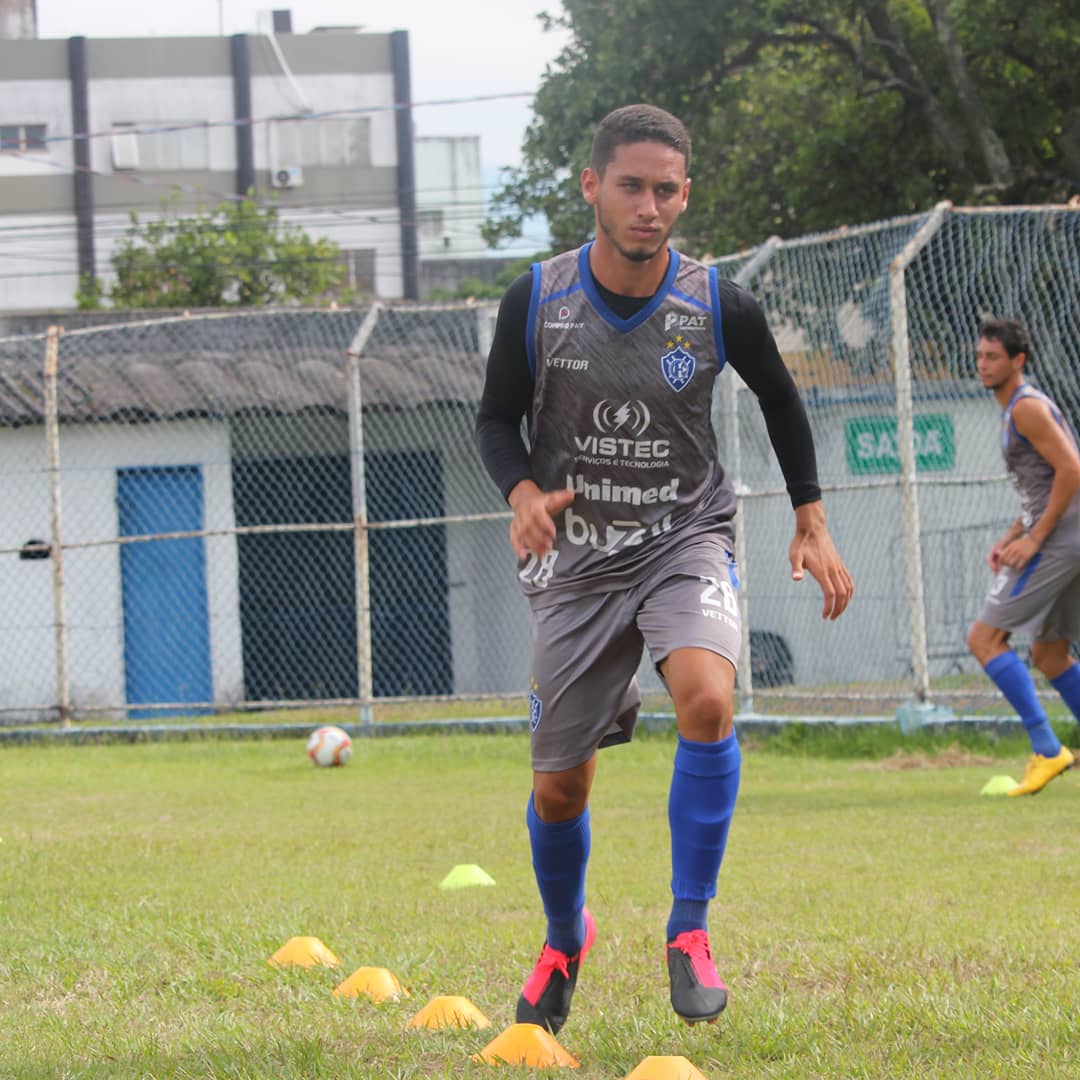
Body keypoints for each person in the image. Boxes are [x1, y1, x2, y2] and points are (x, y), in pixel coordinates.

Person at [473, 103, 853, 1033]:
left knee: (708, 699)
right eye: (632, 186)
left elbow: (780, 397)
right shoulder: (538, 299)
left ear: (685, 195)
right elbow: (494, 420)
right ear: (592, 186)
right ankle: (565, 938)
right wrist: (523, 493)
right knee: (560, 785)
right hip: (578, 561)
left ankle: (688, 930)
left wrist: (811, 514)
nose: (649, 207)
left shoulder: (719, 303)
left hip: (684, 537)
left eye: (667, 190)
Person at [967, 317, 1079, 795]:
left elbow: (1072, 469)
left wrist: (1034, 540)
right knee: (1049, 653)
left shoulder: (1025, 409)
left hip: (1061, 538)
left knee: (985, 639)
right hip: (1066, 533)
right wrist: (1012, 532)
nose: (983, 365)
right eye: (979, 356)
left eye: (993, 357)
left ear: (1019, 361)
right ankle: (1049, 750)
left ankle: (1048, 750)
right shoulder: (1016, 408)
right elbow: (1042, 486)